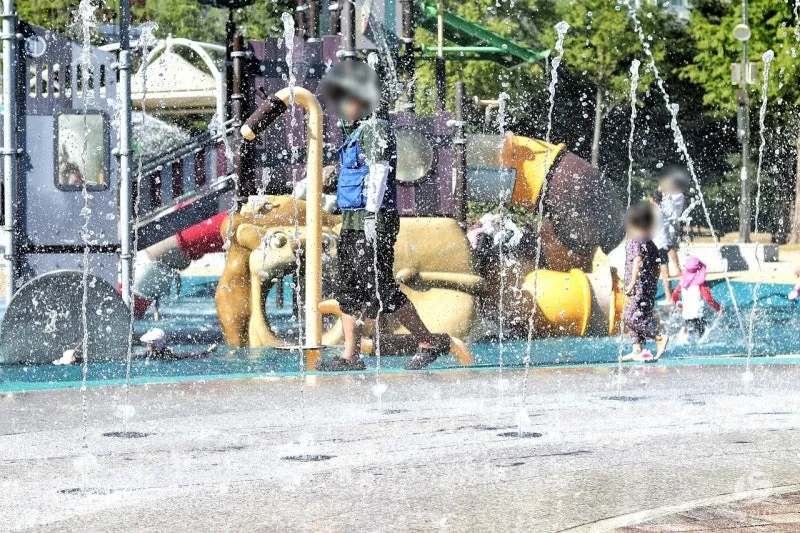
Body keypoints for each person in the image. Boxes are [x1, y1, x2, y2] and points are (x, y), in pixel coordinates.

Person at [314, 59, 450, 372]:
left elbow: (379, 170)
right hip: (352, 221)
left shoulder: (376, 129)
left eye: (345, 99)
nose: (341, 108)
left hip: (373, 220)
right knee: (349, 289)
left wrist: (372, 215)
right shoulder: (357, 132)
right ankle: (350, 356)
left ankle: (428, 342)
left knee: (381, 287)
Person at [620, 202, 669, 362]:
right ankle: (637, 349)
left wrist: (632, 282)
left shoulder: (636, 241)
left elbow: (637, 260)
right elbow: (657, 265)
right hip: (648, 286)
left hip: (638, 287)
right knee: (639, 314)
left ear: (632, 224)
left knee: (629, 316)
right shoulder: (650, 242)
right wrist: (653, 282)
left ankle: (658, 337)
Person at [671, 257, 722, 341]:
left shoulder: (683, 281)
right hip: (697, 314)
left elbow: (674, 294)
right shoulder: (700, 283)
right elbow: (708, 298)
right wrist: (718, 308)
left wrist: (677, 302)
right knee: (704, 334)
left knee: (688, 327)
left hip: (686, 314)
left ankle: (682, 334)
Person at [656, 168, 687, 303]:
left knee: (669, 250)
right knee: (668, 253)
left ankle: (677, 271)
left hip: (666, 233)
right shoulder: (665, 203)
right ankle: (670, 295)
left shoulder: (676, 196)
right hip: (664, 233)